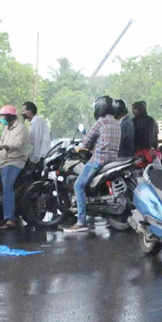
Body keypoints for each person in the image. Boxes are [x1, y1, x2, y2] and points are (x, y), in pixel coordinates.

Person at [64, 96, 122, 233]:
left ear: (99, 107)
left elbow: (87, 143)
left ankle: (81, 221)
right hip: (113, 160)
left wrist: (78, 148)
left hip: (99, 160)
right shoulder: (116, 123)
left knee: (78, 185)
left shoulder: (100, 123)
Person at [0, 105, 31, 229]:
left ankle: (10, 219)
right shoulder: (6, 128)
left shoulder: (21, 128)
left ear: (9, 116)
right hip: (2, 160)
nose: (1, 118)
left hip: (15, 161)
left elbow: (17, 144)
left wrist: (3, 147)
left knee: (7, 187)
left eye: (3, 116)